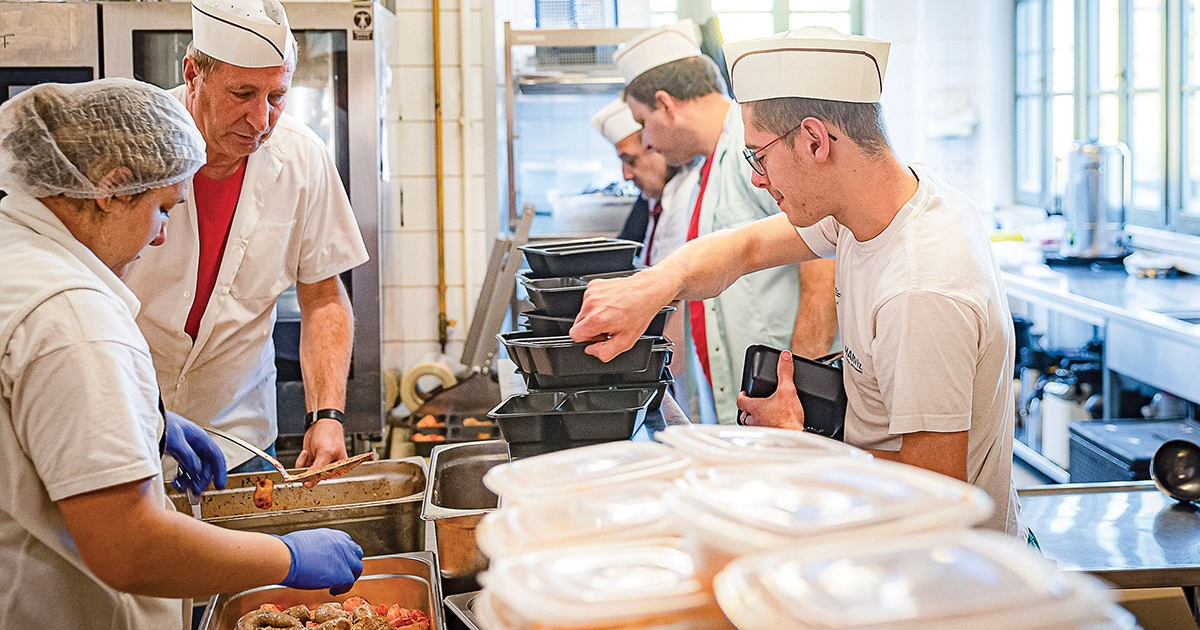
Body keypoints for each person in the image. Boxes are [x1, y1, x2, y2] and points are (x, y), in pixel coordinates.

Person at [572, 28, 1026, 537]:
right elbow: (744, 248)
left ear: (814, 141)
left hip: (938, 564)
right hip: (873, 529)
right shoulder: (871, 207)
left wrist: (798, 442)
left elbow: (936, 488)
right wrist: (654, 286)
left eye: (759, 156)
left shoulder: (921, 289)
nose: (757, 179)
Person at [0, 78, 363, 629]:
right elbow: (131, 548)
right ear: (111, 189)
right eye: (163, 210)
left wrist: (150, 419)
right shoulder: (75, 319)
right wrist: (287, 557)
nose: (161, 237)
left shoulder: (19, 251)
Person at [121, 0, 370, 473]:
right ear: (192, 74)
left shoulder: (303, 159)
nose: (261, 120)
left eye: (276, 97)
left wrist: (326, 416)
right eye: (242, 93)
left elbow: (323, 295)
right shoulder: (134, 145)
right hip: (126, 427)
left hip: (237, 439)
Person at [610, 20, 839, 424]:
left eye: (643, 122)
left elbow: (822, 261)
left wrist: (798, 385)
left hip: (785, 397)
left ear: (666, 104)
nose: (645, 142)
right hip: (754, 398)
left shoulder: (752, 150)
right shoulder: (709, 164)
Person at [590, 98, 697, 266]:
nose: (626, 175)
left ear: (657, 146)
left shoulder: (690, 193)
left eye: (631, 161)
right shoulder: (650, 199)